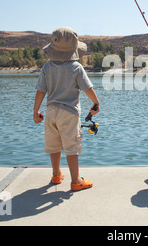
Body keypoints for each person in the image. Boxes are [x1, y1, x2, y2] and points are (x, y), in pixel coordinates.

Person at [33, 27, 100, 191]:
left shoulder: (47, 67)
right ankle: (76, 180)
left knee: (53, 145)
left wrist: (35, 112)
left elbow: (40, 91)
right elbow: (88, 89)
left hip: (51, 112)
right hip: (69, 113)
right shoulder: (76, 68)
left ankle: (56, 175)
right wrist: (96, 103)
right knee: (72, 147)